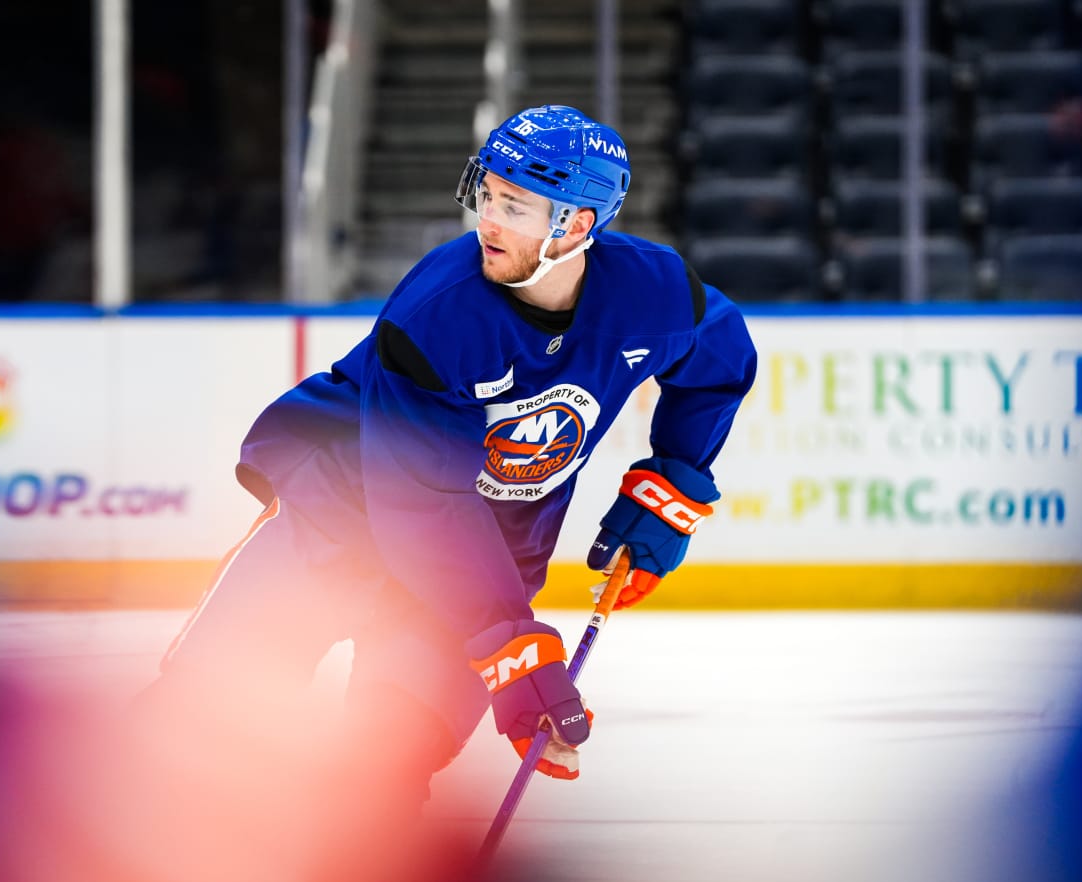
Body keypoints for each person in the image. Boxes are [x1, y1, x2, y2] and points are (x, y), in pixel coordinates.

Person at [143, 105, 758, 792]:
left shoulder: (655, 293)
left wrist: (673, 479)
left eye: (515, 207)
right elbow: (423, 504)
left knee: (383, 773)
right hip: (336, 517)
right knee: (192, 732)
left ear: (577, 224)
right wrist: (508, 642)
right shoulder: (441, 311)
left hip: (485, 554)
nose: (487, 221)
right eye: (486, 195)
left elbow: (718, 354)